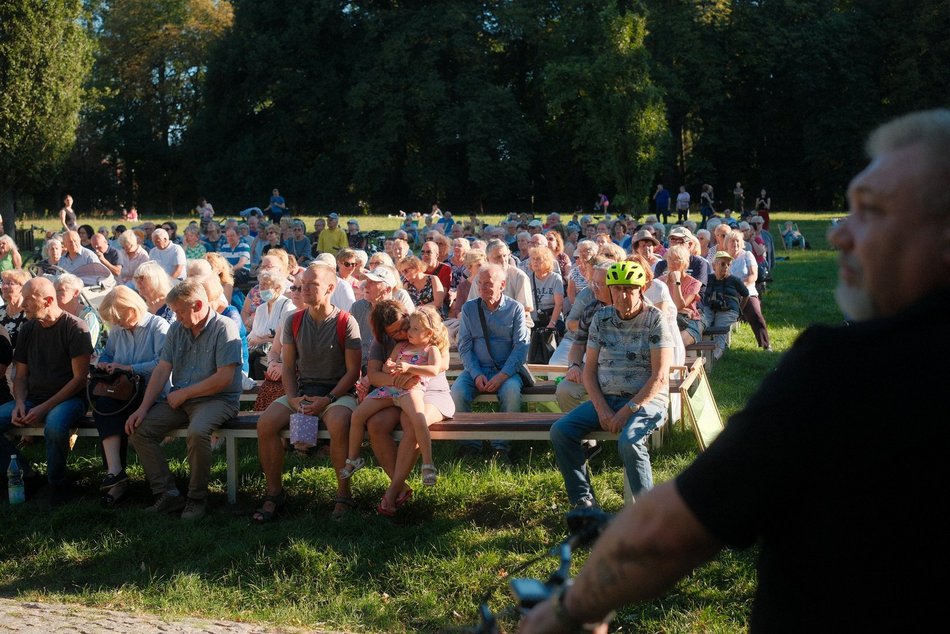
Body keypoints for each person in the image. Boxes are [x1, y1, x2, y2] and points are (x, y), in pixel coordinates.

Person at [521, 108, 950, 634]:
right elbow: (587, 366)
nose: (839, 235)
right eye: (847, 211)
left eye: (872, 211)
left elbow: (673, 528)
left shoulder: (845, 372)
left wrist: (568, 609)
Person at [549, 260, 674, 512]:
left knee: (629, 440)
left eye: (629, 288)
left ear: (642, 288)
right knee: (561, 431)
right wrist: (603, 409)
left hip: (646, 401)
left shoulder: (655, 320)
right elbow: (590, 369)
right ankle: (584, 501)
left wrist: (627, 410)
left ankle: (647, 513)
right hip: (606, 398)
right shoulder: (601, 318)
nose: (622, 295)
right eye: (617, 288)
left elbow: (659, 376)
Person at [125, 280, 243, 519]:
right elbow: (162, 369)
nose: (176, 317)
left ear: (198, 305)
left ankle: (196, 498)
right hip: (181, 398)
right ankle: (167, 493)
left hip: (218, 399)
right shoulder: (177, 329)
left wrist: (185, 393)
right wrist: (143, 408)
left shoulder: (224, 327)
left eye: (180, 311)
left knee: (198, 432)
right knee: (140, 430)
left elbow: (224, 379)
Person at [252, 263, 361, 522]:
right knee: (265, 424)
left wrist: (329, 399)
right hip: (302, 392)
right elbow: (288, 366)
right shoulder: (294, 320)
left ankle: (343, 494)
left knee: (337, 424)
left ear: (330, 288)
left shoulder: (346, 321)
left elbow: (353, 372)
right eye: (302, 284)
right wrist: (292, 397)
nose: (304, 289)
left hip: (338, 393)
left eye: (313, 284)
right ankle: (274, 493)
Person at [0, 277, 92, 505]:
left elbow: (80, 380)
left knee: (55, 426)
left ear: (48, 300)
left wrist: (43, 407)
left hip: (70, 399)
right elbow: (19, 376)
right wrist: (20, 402)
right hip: (33, 399)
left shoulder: (75, 328)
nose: (23, 305)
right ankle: (25, 474)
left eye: (29, 300)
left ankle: (56, 485)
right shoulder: (28, 328)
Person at [342, 307, 447, 491]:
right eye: (398, 331)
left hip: (412, 390)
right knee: (358, 415)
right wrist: (390, 367)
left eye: (411, 328)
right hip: (391, 390)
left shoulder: (431, 349)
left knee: (417, 418)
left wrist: (409, 368)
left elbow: (434, 369)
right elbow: (382, 369)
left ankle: (428, 464)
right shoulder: (400, 346)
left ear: (428, 332)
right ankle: (353, 459)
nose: (406, 333)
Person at [93, 286, 170, 506]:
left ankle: (117, 479)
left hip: (152, 393)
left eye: (118, 318)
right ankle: (115, 471)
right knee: (104, 405)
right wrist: (104, 363)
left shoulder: (158, 326)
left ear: (132, 309)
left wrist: (128, 368)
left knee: (114, 412)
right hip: (122, 391)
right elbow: (108, 353)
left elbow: (162, 364)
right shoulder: (118, 329)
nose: (116, 324)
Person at [452, 264, 529, 459]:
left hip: (506, 370)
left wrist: (503, 376)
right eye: (480, 283)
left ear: (502, 285)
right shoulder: (470, 309)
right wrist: (476, 374)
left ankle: (501, 447)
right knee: (457, 392)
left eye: (488, 284)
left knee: (511, 393)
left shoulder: (515, 308)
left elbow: (521, 347)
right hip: (477, 369)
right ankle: (470, 444)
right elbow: (465, 346)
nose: (483, 288)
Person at [725, 230, 771, 350]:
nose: (735, 243)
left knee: (756, 315)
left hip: (747, 292)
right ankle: (719, 347)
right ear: (726, 243)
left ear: (742, 243)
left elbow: (753, 276)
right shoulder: (723, 258)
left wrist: (740, 287)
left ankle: (766, 345)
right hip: (728, 293)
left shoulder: (747, 255)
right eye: (732, 241)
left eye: (737, 241)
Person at [701, 251, 749, 359]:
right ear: (714, 266)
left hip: (728, 310)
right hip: (709, 307)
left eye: (728, 264)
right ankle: (702, 355)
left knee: (719, 327)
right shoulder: (708, 279)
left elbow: (746, 295)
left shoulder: (734, 280)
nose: (726, 267)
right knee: (704, 324)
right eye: (723, 264)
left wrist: (739, 310)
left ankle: (715, 357)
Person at [54, 273, 106, 358]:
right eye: (54, 290)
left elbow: (87, 348)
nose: (56, 294)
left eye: (60, 290)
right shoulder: (55, 314)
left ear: (76, 293)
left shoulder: (88, 316)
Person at [0, 269, 30, 348]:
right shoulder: (0, 311)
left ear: (22, 287)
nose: (4, 287)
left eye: (10, 283)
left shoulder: (28, 314)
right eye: (3, 282)